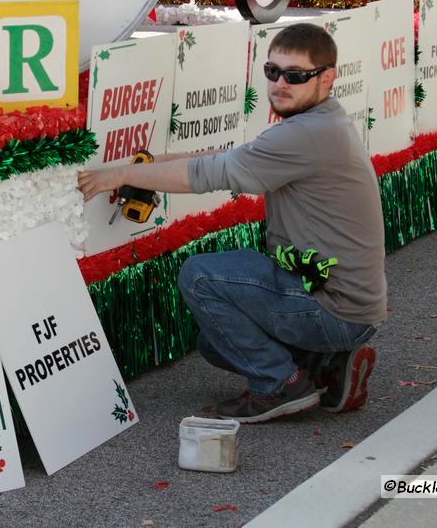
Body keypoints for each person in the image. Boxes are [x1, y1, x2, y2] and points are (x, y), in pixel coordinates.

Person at [78, 22, 386, 423]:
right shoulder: (320, 122)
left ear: (327, 77)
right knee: (215, 344)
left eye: (295, 76)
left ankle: (281, 384)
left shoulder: (307, 133)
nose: (280, 84)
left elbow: (210, 174)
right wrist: (150, 164)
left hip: (334, 309)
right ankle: (322, 365)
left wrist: (118, 176)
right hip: (348, 307)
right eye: (272, 72)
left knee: (200, 276)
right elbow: (232, 155)